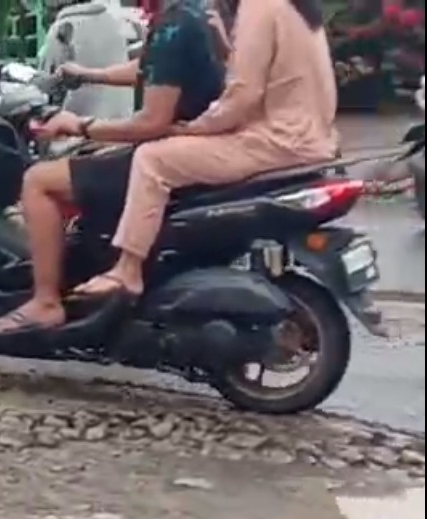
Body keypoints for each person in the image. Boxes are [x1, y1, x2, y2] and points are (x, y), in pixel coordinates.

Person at [72, 0, 338, 300]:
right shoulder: (294, 8)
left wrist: (196, 127)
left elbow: (243, 94)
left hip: (274, 141)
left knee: (153, 159)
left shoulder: (257, 7)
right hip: (308, 138)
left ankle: (127, 270)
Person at [0, 0, 225, 333]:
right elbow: (149, 71)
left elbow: (151, 122)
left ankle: (45, 302)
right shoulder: (189, 14)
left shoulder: (173, 27)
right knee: (87, 158)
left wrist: (79, 124)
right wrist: (88, 74)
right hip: (183, 148)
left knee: (38, 180)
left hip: (166, 154)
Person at [39, 0, 134, 121]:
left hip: (81, 126)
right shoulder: (116, 22)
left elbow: (46, 84)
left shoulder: (62, 27)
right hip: (122, 122)